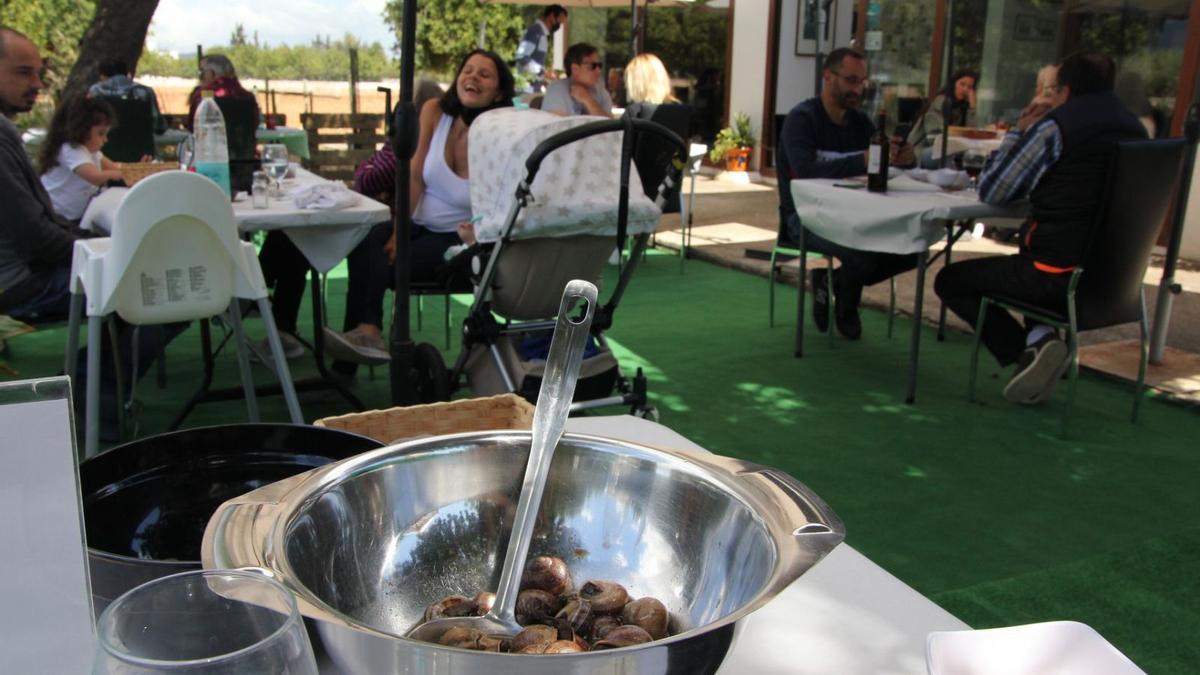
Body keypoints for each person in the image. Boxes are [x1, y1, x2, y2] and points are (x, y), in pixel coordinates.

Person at [934, 52, 1147, 405]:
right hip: (1114, 281)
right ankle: (1039, 337)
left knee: (951, 280)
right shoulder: (1138, 131)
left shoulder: (1057, 127)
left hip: (1054, 276)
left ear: (1064, 90)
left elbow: (995, 190)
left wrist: (1019, 132)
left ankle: (1028, 352)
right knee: (1029, 253)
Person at [324, 51, 515, 365]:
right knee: (364, 239)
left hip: (460, 238)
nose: (472, 78)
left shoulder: (502, 131)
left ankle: (361, 343)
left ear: (500, 91)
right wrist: (398, 231)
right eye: (467, 70)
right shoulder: (435, 111)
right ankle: (365, 333)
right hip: (416, 222)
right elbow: (413, 176)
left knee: (385, 265)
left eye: (484, 74)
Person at [253, 79, 444, 362]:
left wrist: (378, 169)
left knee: (348, 241)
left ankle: (270, 307)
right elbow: (367, 177)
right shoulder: (415, 149)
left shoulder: (413, 149)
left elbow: (367, 176)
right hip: (375, 220)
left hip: (387, 225)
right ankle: (278, 323)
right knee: (292, 234)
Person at [776, 47, 917, 340]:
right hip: (805, 217)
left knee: (914, 248)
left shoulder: (861, 123)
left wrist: (903, 158)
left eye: (862, 81)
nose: (858, 89)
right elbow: (804, 172)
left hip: (855, 216)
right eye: (851, 80)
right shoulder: (801, 120)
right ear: (828, 76)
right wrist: (861, 161)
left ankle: (834, 279)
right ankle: (847, 305)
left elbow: (878, 165)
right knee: (859, 252)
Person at [0, 26, 84, 322]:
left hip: (25, 274)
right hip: (22, 284)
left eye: (38, 74)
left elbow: (41, 221)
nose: (37, 84)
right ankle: (88, 370)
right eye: (24, 73)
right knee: (158, 284)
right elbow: (33, 234)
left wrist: (96, 242)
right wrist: (104, 252)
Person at [38, 95, 124, 222]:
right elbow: (95, 177)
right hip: (58, 216)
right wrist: (121, 173)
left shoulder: (92, 151)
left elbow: (113, 166)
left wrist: (136, 167)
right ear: (81, 130)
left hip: (74, 214)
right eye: (100, 133)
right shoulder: (71, 150)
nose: (105, 140)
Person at [906, 69, 977, 168]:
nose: (965, 89)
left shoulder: (960, 109)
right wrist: (960, 141)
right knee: (950, 154)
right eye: (962, 84)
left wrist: (972, 108)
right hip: (919, 153)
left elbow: (970, 134)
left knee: (974, 154)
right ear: (953, 84)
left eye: (969, 87)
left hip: (946, 149)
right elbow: (934, 140)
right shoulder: (940, 103)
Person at [88, 59, 166, 135]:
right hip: (141, 145)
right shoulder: (146, 92)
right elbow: (159, 126)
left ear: (103, 76)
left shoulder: (96, 91)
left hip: (104, 146)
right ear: (126, 73)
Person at [186, 54, 259, 130]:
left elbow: (193, 127)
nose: (201, 77)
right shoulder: (247, 96)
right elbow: (254, 125)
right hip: (243, 141)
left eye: (202, 72)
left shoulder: (204, 98)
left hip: (212, 140)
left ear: (211, 74)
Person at [541, 43, 613, 118]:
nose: (598, 70)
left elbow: (610, 126)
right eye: (592, 66)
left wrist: (588, 100)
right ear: (575, 68)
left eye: (599, 66)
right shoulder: (557, 89)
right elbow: (557, 127)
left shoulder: (600, 91)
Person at [515, 5, 567, 94]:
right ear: (551, 16)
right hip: (526, 89)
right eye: (559, 21)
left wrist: (544, 75)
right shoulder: (535, 31)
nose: (559, 25)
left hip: (533, 88)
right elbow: (522, 56)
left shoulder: (541, 33)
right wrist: (544, 72)